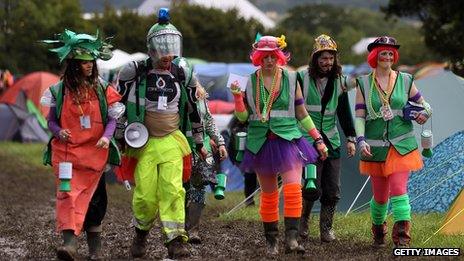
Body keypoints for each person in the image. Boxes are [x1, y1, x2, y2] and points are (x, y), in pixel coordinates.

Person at [116, 8, 207, 259]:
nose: (167, 55)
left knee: (173, 190)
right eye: (162, 48)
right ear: (151, 47)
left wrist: (199, 140)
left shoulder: (182, 72)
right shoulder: (133, 71)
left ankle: (176, 241)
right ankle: (141, 235)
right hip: (142, 142)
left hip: (171, 142)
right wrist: (120, 136)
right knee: (145, 195)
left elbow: (193, 109)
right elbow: (117, 105)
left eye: (171, 48)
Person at [231, 34, 328, 255]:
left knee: (294, 188)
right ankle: (271, 241)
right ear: (258, 57)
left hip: (288, 140)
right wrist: (237, 98)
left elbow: (302, 113)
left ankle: (291, 240)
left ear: (279, 56)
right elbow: (243, 117)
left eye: (273, 56)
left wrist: (318, 139)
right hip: (261, 142)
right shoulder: (246, 81)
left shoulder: (292, 79)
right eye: (264, 57)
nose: (269, 61)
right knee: (269, 194)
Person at [41, 29, 122, 260]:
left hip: (95, 157)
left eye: (91, 62)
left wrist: (107, 136)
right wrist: (59, 131)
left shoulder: (102, 89)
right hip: (68, 156)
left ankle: (95, 251)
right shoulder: (58, 91)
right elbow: (51, 121)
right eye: (84, 62)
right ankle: (69, 246)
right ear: (74, 64)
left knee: (96, 203)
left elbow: (113, 119)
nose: (89, 66)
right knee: (67, 197)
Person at [354, 36, 432, 248]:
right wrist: (360, 140)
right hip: (375, 148)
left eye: (391, 53)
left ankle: (402, 240)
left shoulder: (406, 80)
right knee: (380, 197)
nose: (388, 57)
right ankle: (378, 231)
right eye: (383, 53)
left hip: (402, 145)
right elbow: (360, 116)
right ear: (375, 56)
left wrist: (424, 113)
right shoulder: (363, 83)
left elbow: (424, 105)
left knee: (399, 190)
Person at [297, 34, 357, 242]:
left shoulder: (339, 81)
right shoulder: (301, 79)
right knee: (312, 186)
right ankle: (302, 222)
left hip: (331, 141)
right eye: (323, 58)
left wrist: (351, 138)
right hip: (308, 140)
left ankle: (326, 229)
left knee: (332, 190)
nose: (327, 62)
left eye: (331, 58)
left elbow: (344, 111)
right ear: (315, 58)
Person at [185, 86, 228, 244]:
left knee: (198, 187)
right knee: (179, 188)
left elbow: (209, 121)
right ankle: (179, 227)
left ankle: (193, 230)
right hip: (178, 147)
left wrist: (220, 142)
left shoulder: (200, 96)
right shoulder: (173, 91)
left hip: (201, 149)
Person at [226, 116, 258, 206]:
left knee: (252, 177)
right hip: (245, 154)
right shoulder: (236, 126)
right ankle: (249, 200)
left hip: (254, 149)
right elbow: (232, 146)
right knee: (250, 176)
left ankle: (251, 200)